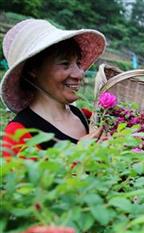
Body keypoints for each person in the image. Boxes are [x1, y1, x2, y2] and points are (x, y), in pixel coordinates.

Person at [1, 19, 106, 157]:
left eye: (78, 63)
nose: (80, 74)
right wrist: (78, 155)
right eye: (65, 63)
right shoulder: (19, 134)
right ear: (33, 70)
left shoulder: (87, 117)